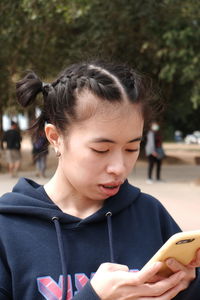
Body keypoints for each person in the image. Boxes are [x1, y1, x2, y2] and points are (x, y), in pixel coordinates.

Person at [0, 61, 200, 300]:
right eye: (101, 149)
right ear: (55, 137)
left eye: (131, 148)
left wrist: (187, 286)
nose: (119, 168)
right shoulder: (8, 229)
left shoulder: (150, 214)